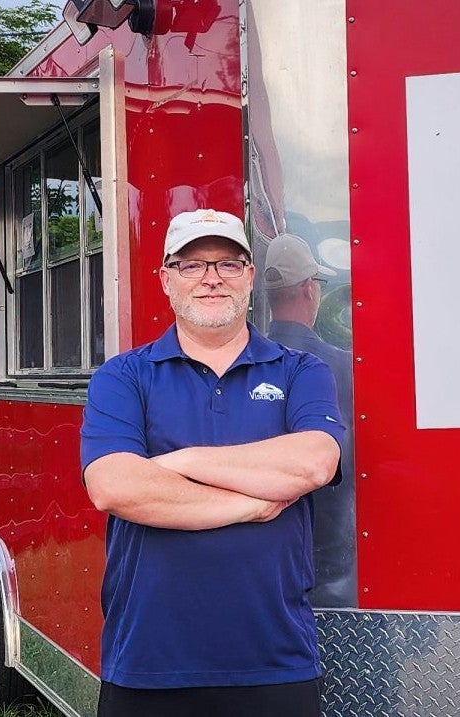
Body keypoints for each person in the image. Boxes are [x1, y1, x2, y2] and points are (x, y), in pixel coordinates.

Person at [80, 209, 345, 717]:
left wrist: (179, 461)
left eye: (227, 263)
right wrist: (254, 501)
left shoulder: (300, 371)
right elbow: (115, 487)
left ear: (249, 277)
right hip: (148, 663)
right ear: (166, 279)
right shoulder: (124, 377)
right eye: (191, 265)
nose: (211, 278)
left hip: (276, 661)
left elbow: (313, 463)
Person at [262, 233, 356, 605]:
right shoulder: (343, 366)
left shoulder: (245, 365)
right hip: (332, 560)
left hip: (266, 556)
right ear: (308, 290)